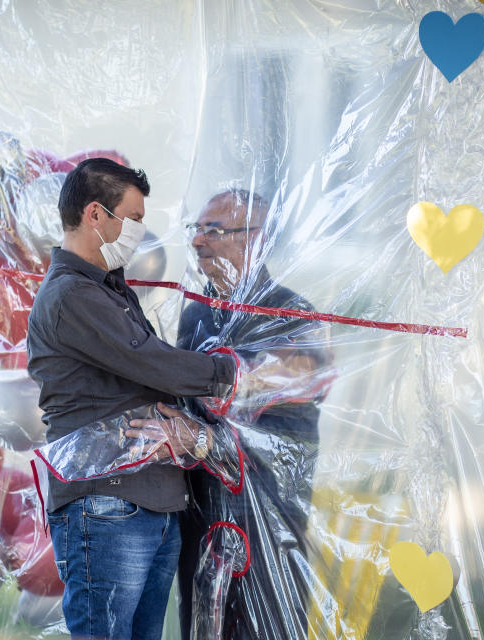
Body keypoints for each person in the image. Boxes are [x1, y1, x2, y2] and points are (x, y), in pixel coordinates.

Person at [25, 158, 238, 640]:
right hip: (107, 507)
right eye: (134, 218)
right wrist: (232, 372)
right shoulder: (71, 296)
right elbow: (153, 363)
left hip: (151, 505)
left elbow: (149, 376)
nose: (140, 232)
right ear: (96, 215)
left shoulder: (109, 289)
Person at [174, 189, 330, 639]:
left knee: (269, 625)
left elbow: (305, 375)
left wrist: (237, 378)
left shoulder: (290, 311)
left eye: (214, 230)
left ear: (257, 239)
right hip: (202, 507)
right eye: (196, 229)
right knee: (204, 623)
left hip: (266, 512)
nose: (198, 242)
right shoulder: (195, 315)